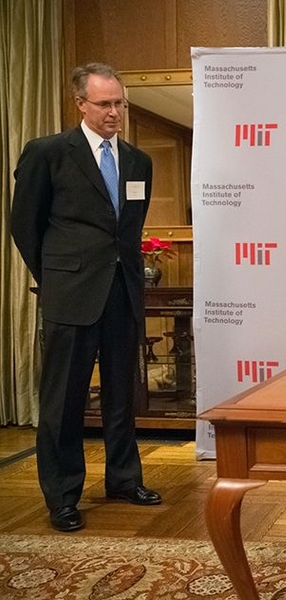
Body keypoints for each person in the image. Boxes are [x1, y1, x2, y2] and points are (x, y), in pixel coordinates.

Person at [10, 63, 160, 533]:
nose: (115, 112)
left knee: (122, 394)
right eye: (104, 104)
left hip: (121, 294)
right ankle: (63, 494)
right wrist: (55, 278)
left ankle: (123, 478)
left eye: (120, 103)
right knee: (64, 400)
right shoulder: (48, 153)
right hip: (70, 294)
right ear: (80, 104)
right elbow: (24, 226)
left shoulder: (138, 161)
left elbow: (129, 229)